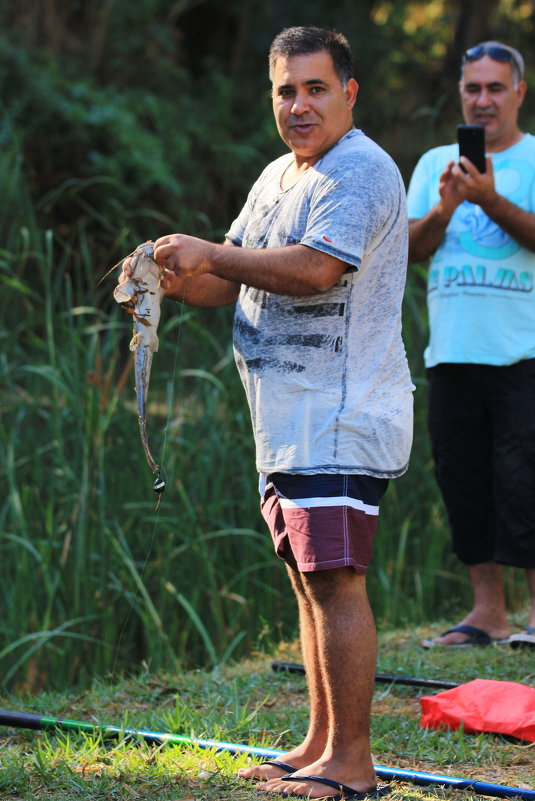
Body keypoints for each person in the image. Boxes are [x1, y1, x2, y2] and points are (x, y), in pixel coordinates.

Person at [125, 26, 413, 799]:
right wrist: (176, 275)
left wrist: (213, 254)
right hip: (285, 417)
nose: (297, 105)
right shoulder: (278, 176)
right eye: (285, 89)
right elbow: (233, 276)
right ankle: (319, 741)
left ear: (348, 92)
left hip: (341, 413)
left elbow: (317, 268)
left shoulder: (358, 170)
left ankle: (352, 764)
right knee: (305, 578)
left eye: (315, 88)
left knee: (337, 580)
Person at [407, 41, 535, 650]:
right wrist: (445, 207)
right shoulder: (436, 161)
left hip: (523, 352)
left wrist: (489, 200)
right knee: (464, 480)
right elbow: (410, 247)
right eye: (472, 89)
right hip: (452, 352)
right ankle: (488, 614)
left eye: (495, 88)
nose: (483, 100)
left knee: (528, 481)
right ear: (461, 94)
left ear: (519, 93)